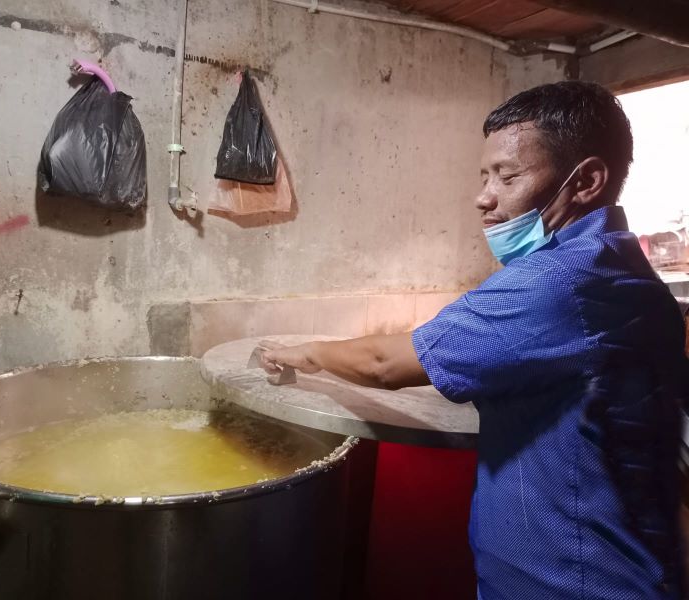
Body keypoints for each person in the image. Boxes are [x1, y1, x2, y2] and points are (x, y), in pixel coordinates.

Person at [259, 81, 689, 599]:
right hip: (631, 568)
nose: (483, 197)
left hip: (568, 583)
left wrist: (305, 352)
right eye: (484, 175)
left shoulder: (554, 283)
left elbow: (381, 363)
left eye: (507, 176)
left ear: (587, 180)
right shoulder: (624, 269)